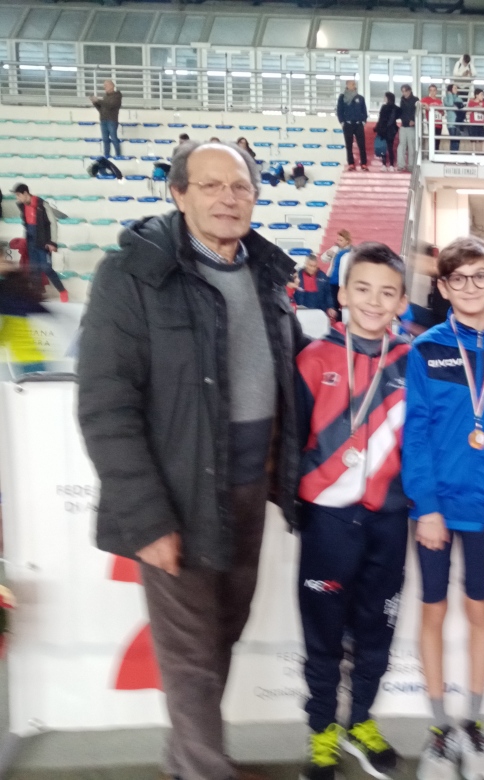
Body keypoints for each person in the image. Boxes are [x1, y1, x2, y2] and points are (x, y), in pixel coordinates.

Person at [76, 140, 305, 780]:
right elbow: (105, 405)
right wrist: (147, 517)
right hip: (178, 496)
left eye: (241, 187)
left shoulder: (268, 273)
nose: (228, 198)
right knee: (191, 654)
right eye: (210, 185)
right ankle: (205, 770)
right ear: (178, 194)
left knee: (223, 632)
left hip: (248, 492)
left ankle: (191, 762)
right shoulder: (131, 275)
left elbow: (287, 373)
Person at [403, 236, 484, 780]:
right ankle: (439, 731)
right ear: (443, 286)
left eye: (481, 276)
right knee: (433, 611)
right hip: (436, 507)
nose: (472, 287)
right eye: (460, 278)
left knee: (480, 611)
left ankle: (473, 725)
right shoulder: (426, 348)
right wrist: (427, 506)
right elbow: (415, 432)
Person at [296, 243, 411, 780]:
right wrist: (301, 502)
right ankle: (322, 730)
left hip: (389, 520)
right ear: (341, 294)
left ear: (402, 301)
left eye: (387, 292)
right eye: (362, 289)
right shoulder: (314, 357)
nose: (373, 301)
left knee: (376, 630)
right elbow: (291, 439)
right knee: (322, 632)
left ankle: (360, 720)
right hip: (328, 521)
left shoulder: (412, 361)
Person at [12, 184, 67, 303]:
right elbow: (27, 224)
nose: (17, 198)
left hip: (43, 242)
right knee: (34, 269)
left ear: (25, 193)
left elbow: (53, 223)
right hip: (31, 241)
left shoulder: (42, 204)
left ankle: (62, 291)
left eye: (18, 195)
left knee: (46, 268)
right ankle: (37, 295)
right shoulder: (22, 206)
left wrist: (52, 242)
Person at [338, 80, 369, 171]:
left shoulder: (360, 98)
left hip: (358, 124)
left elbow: (364, 110)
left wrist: (363, 121)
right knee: (349, 145)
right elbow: (339, 110)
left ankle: (363, 163)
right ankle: (351, 164)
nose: (354, 85)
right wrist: (342, 122)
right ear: (347, 85)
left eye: (354, 84)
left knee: (362, 145)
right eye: (352, 84)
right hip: (348, 124)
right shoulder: (342, 97)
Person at [293, 253, 336, 318]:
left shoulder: (323, 276)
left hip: (319, 310)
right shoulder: (297, 276)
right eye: (310, 266)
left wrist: (330, 307)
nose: (313, 269)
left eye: (315, 266)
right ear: (305, 264)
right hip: (301, 310)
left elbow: (328, 293)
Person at [320, 228, 352, 307]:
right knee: (332, 303)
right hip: (332, 280)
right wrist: (327, 254)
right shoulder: (335, 248)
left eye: (341, 240)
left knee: (344, 303)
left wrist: (336, 256)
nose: (338, 242)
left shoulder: (351, 251)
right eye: (338, 240)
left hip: (344, 282)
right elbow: (323, 259)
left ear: (347, 241)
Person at [90, 79, 123, 159]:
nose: (104, 87)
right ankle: (106, 156)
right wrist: (95, 103)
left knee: (114, 138)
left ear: (112, 86)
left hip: (112, 120)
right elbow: (101, 109)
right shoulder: (105, 97)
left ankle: (118, 155)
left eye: (106, 85)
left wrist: (99, 101)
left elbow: (110, 105)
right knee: (105, 140)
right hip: (103, 120)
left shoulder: (117, 96)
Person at [375, 92, 399, 170]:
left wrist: (379, 128)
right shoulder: (395, 108)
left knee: (384, 147)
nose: (384, 98)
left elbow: (381, 119)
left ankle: (385, 165)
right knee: (389, 147)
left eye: (385, 97)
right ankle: (391, 165)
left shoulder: (384, 107)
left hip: (385, 130)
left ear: (388, 98)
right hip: (391, 130)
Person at [398, 85, 419, 172]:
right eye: (402, 91)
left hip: (411, 126)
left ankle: (411, 165)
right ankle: (401, 165)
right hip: (403, 125)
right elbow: (402, 112)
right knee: (401, 146)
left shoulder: (415, 100)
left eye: (405, 91)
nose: (404, 93)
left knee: (411, 146)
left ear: (409, 91)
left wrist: (413, 120)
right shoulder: (402, 100)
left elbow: (417, 112)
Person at [421, 85, 444, 152]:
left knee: (437, 140)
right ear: (429, 91)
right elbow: (418, 103)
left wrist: (441, 109)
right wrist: (425, 104)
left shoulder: (439, 101)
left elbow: (443, 113)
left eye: (434, 90)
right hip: (431, 123)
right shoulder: (426, 99)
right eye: (431, 90)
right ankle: (431, 154)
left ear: (436, 91)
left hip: (439, 123)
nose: (432, 92)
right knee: (432, 139)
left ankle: (436, 153)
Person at [445, 83, 466, 153]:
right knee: (453, 139)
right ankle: (452, 155)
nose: (456, 89)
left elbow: (461, 107)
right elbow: (450, 104)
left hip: (458, 121)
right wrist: (450, 95)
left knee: (457, 140)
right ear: (450, 89)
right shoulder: (446, 98)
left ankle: (455, 155)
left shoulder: (459, 98)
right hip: (451, 122)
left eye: (456, 88)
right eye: (454, 88)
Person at [466, 88, 484, 153]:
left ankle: (483, 152)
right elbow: (468, 112)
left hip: (481, 124)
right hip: (473, 124)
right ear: (477, 95)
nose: (483, 96)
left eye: (483, 95)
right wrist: (475, 108)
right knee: (473, 139)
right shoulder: (471, 102)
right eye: (481, 95)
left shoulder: (483, 103)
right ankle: (474, 152)